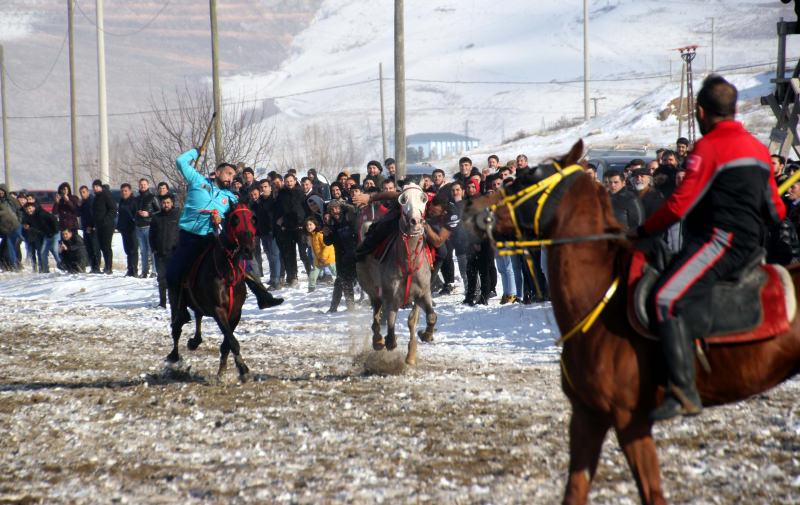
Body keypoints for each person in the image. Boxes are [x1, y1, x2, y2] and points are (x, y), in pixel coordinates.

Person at [630, 75, 786, 421]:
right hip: (752, 245)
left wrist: (642, 230)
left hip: (721, 241)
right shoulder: (759, 149)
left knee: (665, 298)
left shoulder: (710, 147)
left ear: (701, 112)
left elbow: (678, 205)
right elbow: (776, 210)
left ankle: (684, 391)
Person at [167, 148, 282, 325]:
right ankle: (180, 311)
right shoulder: (198, 180)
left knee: (240, 265)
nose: (230, 178)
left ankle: (263, 295)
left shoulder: (229, 198)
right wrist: (196, 152)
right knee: (174, 272)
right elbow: (181, 162)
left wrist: (221, 220)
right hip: (189, 237)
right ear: (217, 172)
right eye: (228, 173)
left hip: (211, 238)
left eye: (233, 175)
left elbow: (239, 215)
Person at [275, 173, 311, 287]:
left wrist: (305, 223)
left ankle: (311, 273)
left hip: (300, 227)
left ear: (295, 181)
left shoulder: (300, 193)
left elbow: (306, 209)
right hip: (287, 228)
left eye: (291, 181)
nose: (289, 183)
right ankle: (293, 276)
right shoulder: (281, 194)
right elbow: (278, 210)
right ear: (284, 182)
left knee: (302, 253)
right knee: (290, 254)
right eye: (287, 181)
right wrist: (280, 222)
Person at [322, 200, 357, 312]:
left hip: (354, 254)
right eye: (331, 210)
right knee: (342, 281)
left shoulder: (349, 218)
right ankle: (342, 307)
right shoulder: (331, 224)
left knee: (355, 280)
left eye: (336, 208)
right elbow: (328, 242)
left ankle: (372, 304)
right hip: (341, 256)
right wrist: (326, 232)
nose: (334, 211)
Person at [149, 194, 180, 308]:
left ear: (172, 203)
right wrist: (154, 249)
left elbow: (181, 232)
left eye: (168, 203)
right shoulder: (156, 217)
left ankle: (174, 301)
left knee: (173, 279)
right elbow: (151, 234)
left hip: (174, 253)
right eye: (163, 203)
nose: (166, 205)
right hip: (160, 253)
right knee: (161, 279)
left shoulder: (177, 215)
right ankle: (162, 302)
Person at [255, 179, 282, 289]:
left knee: (275, 256)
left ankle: (277, 280)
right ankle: (273, 278)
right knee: (269, 256)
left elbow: (279, 215)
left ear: (270, 188)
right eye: (261, 187)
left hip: (273, 232)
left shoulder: (275, 200)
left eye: (265, 187)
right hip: (263, 232)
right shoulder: (259, 201)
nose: (263, 189)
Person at [135, 178, 160, 278]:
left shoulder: (152, 197)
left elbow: (159, 211)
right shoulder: (137, 198)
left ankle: (154, 271)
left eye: (144, 184)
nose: (142, 186)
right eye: (141, 184)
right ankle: (144, 271)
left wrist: (148, 214)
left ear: (148, 185)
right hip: (139, 227)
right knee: (142, 250)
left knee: (151, 250)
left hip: (149, 226)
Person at [304, 217, 336, 292]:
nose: (308, 227)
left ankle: (344, 283)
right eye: (307, 225)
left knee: (335, 271)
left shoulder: (320, 234)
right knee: (313, 273)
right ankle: (311, 288)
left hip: (329, 258)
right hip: (318, 259)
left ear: (315, 225)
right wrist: (317, 259)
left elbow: (327, 246)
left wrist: (323, 257)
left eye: (310, 224)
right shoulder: (311, 236)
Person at [92, 179, 117, 274]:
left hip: (107, 225)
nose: (95, 188)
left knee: (107, 246)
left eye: (97, 186)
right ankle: (106, 266)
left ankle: (109, 267)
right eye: (94, 187)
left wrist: (105, 220)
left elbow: (113, 209)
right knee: (102, 246)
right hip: (99, 226)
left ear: (100, 187)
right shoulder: (96, 197)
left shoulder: (106, 194)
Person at [117, 183, 139, 277]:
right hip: (124, 228)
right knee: (127, 250)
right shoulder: (121, 201)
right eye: (122, 191)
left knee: (133, 249)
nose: (124, 193)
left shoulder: (134, 201)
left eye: (126, 191)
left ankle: (134, 270)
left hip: (132, 228)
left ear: (130, 191)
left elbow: (136, 215)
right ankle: (129, 269)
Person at [78, 185, 101, 273]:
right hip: (85, 228)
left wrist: (92, 226)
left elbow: (94, 215)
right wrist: (79, 206)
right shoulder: (83, 202)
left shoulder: (92, 201)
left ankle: (97, 267)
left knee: (95, 248)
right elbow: (79, 214)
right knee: (89, 248)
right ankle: (93, 266)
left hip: (92, 228)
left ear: (88, 192)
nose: (82, 194)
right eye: (81, 193)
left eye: (84, 192)